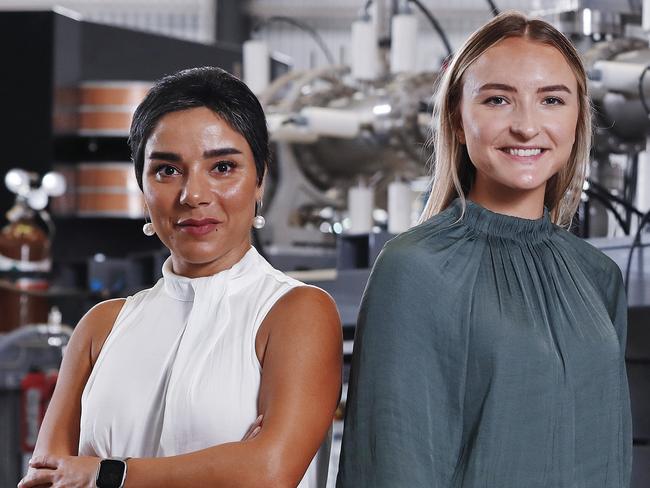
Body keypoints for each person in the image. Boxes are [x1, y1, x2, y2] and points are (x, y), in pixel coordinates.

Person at [337, 11, 631, 488]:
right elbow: (390, 459)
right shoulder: (415, 268)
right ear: (457, 117)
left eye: (552, 100)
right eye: (498, 99)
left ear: (578, 118)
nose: (526, 127)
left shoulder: (597, 276)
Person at [19, 67, 342, 488]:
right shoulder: (102, 326)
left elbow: (268, 471)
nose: (194, 195)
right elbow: (46, 479)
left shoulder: (295, 314)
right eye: (167, 170)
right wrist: (225, 465)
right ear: (142, 185)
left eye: (223, 167)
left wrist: (105, 472)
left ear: (260, 178)